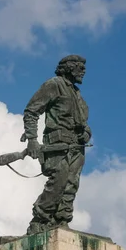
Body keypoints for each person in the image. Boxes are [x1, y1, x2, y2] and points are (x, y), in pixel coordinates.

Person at [22, 55, 92, 235]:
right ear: (68, 67)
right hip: (56, 145)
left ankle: (61, 220)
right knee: (58, 182)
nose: (83, 71)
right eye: (79, 67)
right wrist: (32, 140)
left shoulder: (77, 94)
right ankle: (39, 220)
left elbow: (84, 122)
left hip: (76, 147)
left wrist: (86, 133)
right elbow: (31, 111)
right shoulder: (54, 85)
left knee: (71, 185)